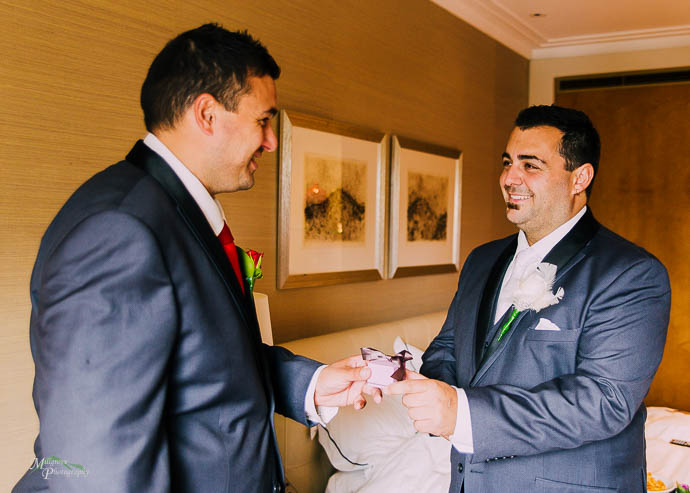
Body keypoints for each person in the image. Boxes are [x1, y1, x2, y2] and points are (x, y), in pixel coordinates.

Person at [13, 24, 378, 493]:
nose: (270, 141)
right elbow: (97, 459)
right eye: (263, 120)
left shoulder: (174, 210)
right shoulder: (118, 230)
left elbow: (207, 360)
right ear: (206, 113)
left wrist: (312, 385)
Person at [387, 105, 671, 492]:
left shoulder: (630, 273)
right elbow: (448, 349)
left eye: (530, 165)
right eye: (507, 162)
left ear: (579, 178)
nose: (508, 178)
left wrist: (462, 415)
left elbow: (604, 401)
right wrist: (430, 392)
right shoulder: (481, 260)